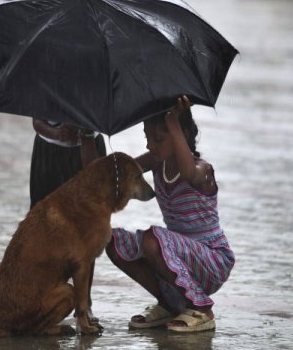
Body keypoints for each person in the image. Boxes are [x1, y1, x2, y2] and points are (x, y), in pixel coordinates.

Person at [106, 95, 234, 333]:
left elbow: (187, 173)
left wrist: (173, 120)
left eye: (158, 138)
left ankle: (201, 308)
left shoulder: (201, 169)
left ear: (181, 135)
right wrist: (87, 137)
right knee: (111, 241)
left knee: (152, 239)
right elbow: (117, 174)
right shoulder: (157, 161)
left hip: (212, 260)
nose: (150, 145)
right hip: (174, 257)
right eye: (147, 137)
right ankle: (170, 303)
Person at [30, 118, 107, 323]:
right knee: (44, 228)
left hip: (89, 147)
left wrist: (87, 131)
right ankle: (45, 300)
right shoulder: (44, 84)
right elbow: (36, 119)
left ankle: (84, 303)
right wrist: (56, 133)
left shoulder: (96, 85)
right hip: (48, 149)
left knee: (88, 229)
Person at [30, 118, 107, 208]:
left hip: (91, 145)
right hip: (49, 151)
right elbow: (37, 120)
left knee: (93, 208)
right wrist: (57, 133)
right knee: (43, 212)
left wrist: (86, 133)